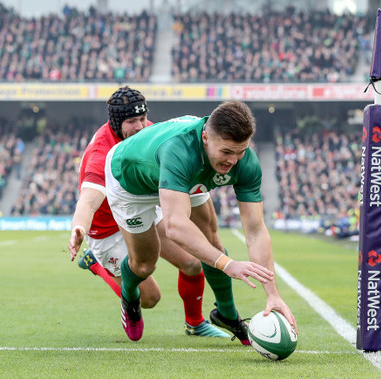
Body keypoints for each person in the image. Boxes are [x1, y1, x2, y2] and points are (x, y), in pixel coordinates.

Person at [103, 100, 296, 342]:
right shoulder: (179, 151)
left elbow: (256, 231)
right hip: (130, 181)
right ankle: (129, 295)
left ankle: (227, 314)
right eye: (226, 152)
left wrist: (273, 294)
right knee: (144, 265)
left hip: (186, 176)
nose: (233, 161)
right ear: (205, 137)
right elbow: (175, 226)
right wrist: (227, 264)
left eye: (241, 151)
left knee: (212, 243)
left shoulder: (243, 161)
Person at [68, 86, 228, 340]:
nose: (141, 126)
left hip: (142, 208)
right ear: (116, 122)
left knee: (191, 261)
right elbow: (88, 201)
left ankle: (195, 323)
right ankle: (97, 264)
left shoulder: (148, 130)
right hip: (108, 229)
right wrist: (79, 227)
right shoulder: (101, 154)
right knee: (150, 298)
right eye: (132, 121)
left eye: (143, 119)